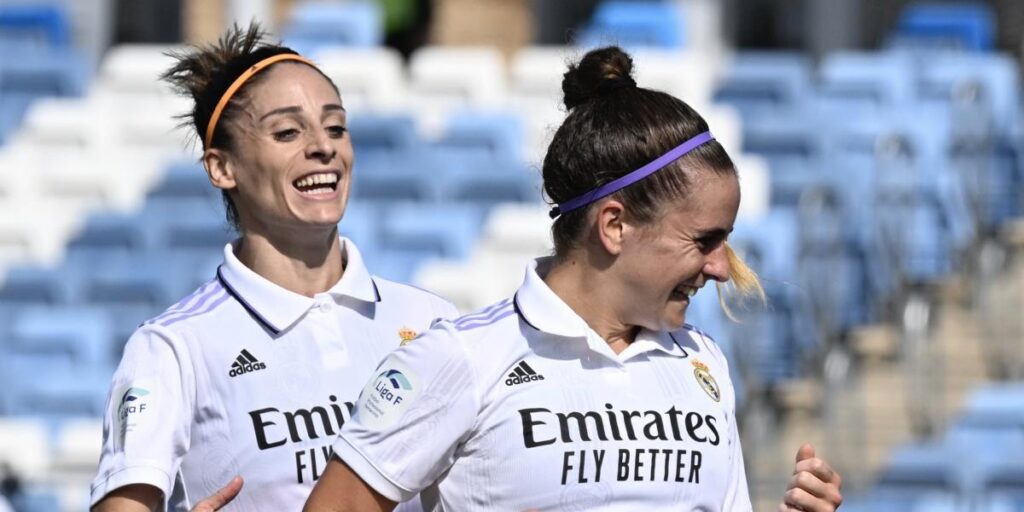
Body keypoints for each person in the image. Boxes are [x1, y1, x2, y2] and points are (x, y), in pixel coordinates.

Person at [304, 46, 843, 511]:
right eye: (704, 240)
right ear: (615, 225)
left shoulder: (705, 363)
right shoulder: (459, 358)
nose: (722, 268)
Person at [89, 23, 457, 511]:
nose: (323, 147)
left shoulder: (433, 321)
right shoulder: (174, 347)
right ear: (223, 168)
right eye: (287, 131)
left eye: (336, 127)